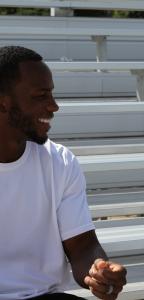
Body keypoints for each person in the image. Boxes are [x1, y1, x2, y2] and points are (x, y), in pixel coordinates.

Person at [0, 46, 126, 300]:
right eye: (41, 96)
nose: (54, 106)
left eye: (52, 95)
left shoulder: (61, 161)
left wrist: (98, 273)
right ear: (3, 102)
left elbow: (82, 248)